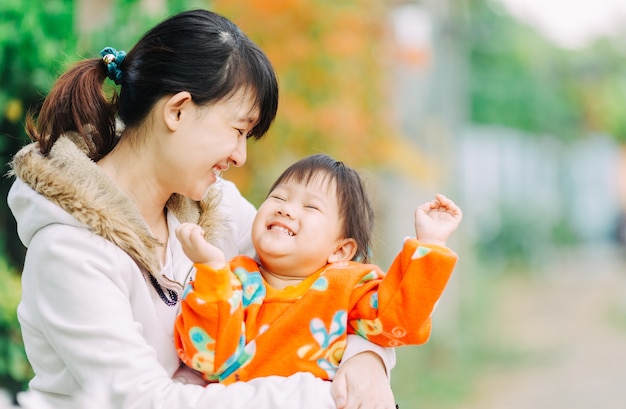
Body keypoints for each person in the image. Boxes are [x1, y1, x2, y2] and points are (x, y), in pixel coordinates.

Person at [6, 9, 397, 409]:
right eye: (239, 130)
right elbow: (145, 403)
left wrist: (367, 358)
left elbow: (327, 287)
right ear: (177, 110)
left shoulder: (213, 207)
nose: (241, 156)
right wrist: (322, 396)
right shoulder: (70, 250)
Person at [174, 153, 462, 385]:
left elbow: (398, 319)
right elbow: (206, 359)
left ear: (340, 250)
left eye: (311, 207)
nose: (286, 209)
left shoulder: (346, 287)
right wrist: (209, 268)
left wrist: (430, 243)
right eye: (278, 198)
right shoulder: (232, 281)